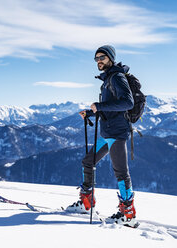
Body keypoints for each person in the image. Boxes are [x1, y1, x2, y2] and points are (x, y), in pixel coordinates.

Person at [66, 45, 137, 226]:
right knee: (88, 162)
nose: (99, 61)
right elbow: (110, 108)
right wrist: (91, 113)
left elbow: (127, 103)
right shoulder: (107, 80)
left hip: (117, 133)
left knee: (121, 173)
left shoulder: (117, 77)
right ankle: (86, 203)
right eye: (96, 58)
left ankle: (127, 214)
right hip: (107, 132)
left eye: (102, 57)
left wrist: (101, 106)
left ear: (111, 59)